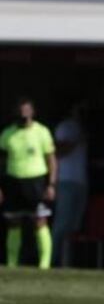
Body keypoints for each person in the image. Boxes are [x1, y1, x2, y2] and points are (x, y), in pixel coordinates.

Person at [0, 98, 57, 269]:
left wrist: (51, 184)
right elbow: (1, 161)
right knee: (13, 222)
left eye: (26, 110)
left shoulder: (42, 132)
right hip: (14, 181)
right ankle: (12, 264)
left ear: (32, 112)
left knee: (40, 220)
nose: (23, 114)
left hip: (36, 181)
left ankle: (44, 265)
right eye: (20, 110)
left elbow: (51, 159)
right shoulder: (7, 134)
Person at [51, 102, 88, 267]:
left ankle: (66, 261)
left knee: (74, 225)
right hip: (66, 180)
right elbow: (57, 152)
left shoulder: (82, 128)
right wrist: (76, 141)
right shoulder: (65, 127)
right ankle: (51, 260)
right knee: (62, 223)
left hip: (81, 182)